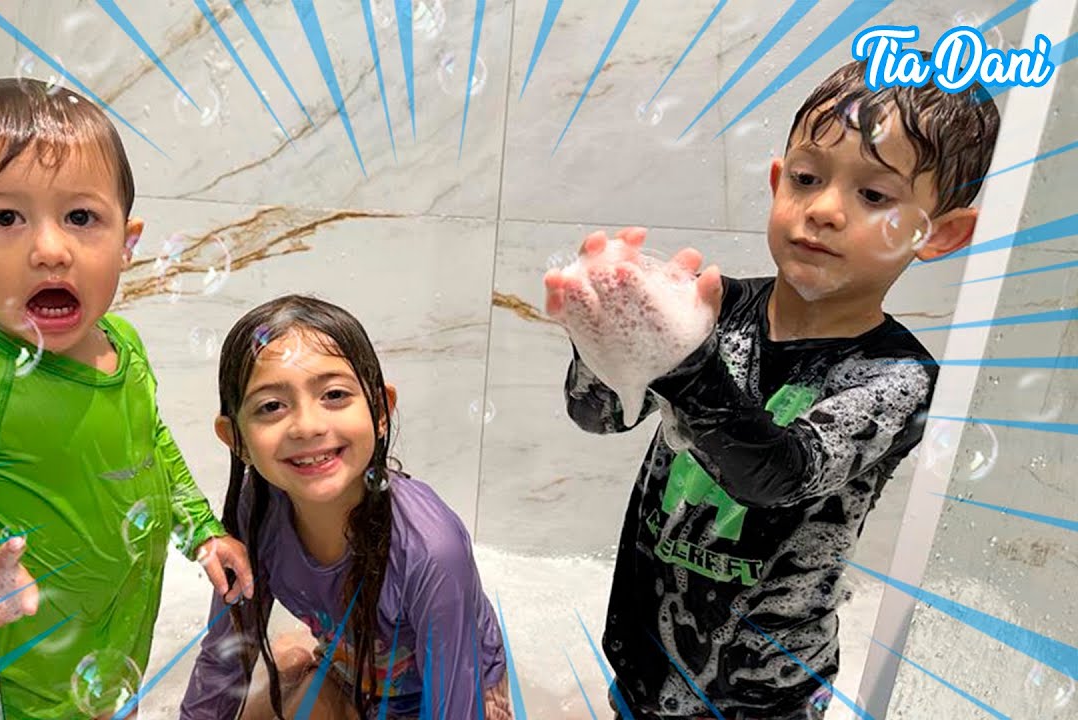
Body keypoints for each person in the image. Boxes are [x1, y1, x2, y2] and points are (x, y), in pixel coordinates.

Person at [545, 57, 1000, 720]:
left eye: (873, 195)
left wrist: (678, 358)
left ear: (943, 232)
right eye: (809, 179)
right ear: (779, 182)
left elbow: (776, 474)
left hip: (765, 693)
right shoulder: (714, 308)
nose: (823, 210)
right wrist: (600, 343)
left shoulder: (898, 377)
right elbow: (601, 415)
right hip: (646, 661)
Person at [0, 77, 253, 720]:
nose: (51, 249)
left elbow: (151, 443)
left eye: (81, 217)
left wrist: (200, 529)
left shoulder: (124, 343)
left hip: (117, 646)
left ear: (126, 241)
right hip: (23, 680)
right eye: (5, 217)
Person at [179, 295, 511, 720]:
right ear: (235, 438)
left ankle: (301, 660)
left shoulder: (431, 550)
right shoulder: (257, 509)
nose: (308, 426)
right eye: (271, 406)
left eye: (334, 394)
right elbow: (226, 657)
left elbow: (454, 709)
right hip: (349, 667)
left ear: (381, 412)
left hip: (454, 688)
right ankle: (302, 659)